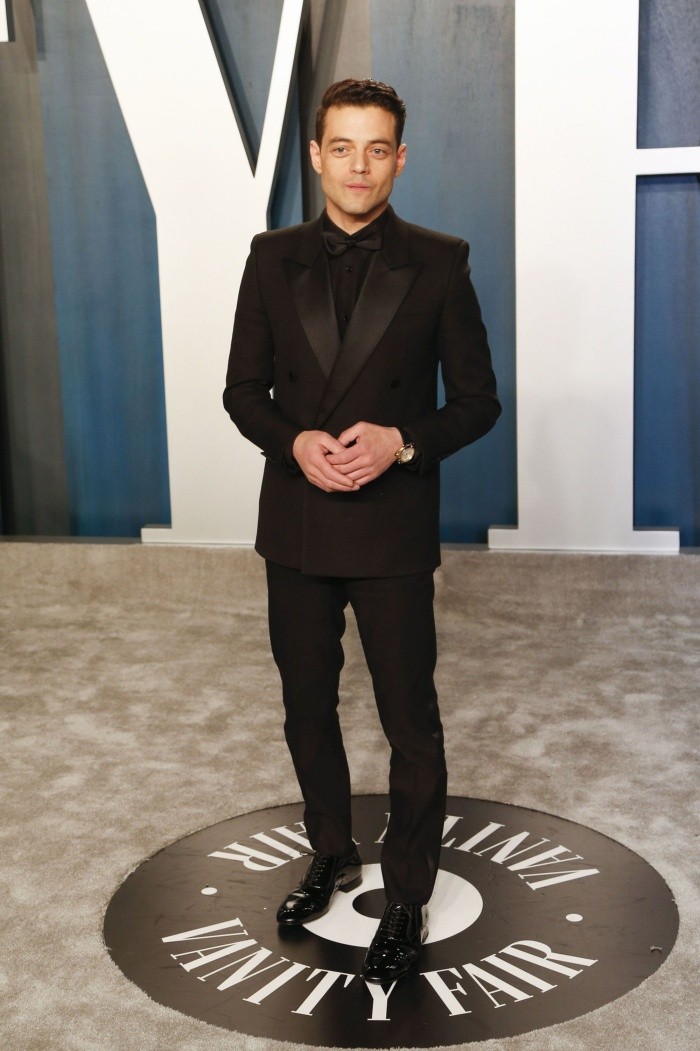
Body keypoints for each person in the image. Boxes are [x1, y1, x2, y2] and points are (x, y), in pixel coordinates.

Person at [223, 78, 500, 983]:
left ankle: (408, 890)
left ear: (400, 159)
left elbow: (477, 402)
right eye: (341, 147)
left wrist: (402, 440)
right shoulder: (271, 256)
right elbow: (242, 390)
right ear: (316, 155)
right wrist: (294, 440)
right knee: (307, 702)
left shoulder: (441, 261)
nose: (358, 166)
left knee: (408, 715)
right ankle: (332, 848)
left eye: (377, 149)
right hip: (298, 522)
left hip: (390, 528)